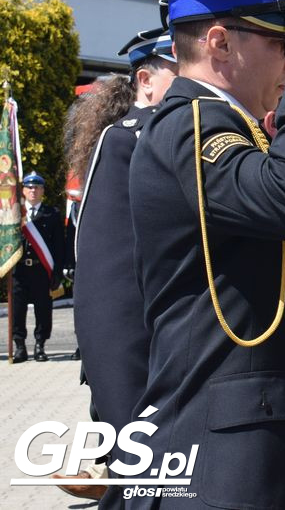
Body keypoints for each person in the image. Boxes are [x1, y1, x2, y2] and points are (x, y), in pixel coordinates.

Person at [130, 0, 285, 508]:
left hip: (251, 444)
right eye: (281, 44)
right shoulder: (191, 128)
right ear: (220, 42)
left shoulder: (232, 127)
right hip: (217, 458)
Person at [58, 29, 177, 505]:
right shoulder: (129, 140)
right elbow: (108, 277)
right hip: (134, 350)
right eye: (179, 71)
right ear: (146, 80)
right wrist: (118, 374)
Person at [10, 172, 65, 363]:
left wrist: (58, 271)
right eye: (30, 187)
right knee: (18, 309)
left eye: (37, 187)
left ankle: (40, 345)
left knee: (43, 309)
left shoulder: (52, 214)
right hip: (19, 271)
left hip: (42, 270)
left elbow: (59, 246)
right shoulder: (15, 214)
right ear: (23, 190)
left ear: (43, 190)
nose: (33, 190)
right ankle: (19, 346)